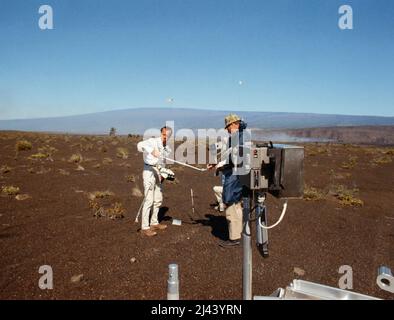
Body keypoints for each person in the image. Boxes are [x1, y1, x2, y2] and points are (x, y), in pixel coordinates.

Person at [208, 114, 248, 247]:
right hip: (237, 176)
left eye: (228, 127)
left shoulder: (238, 138)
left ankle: (234, 238)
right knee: (236, 205)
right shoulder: (239, 136)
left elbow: (235, 161)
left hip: (235, 177)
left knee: (231, 205)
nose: (227, 130)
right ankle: (238, 234)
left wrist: (220, 166)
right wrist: (217, 165)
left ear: (234, 124)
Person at [137, 126, 172, 237]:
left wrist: (163, 173)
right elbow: (139, 145)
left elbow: (163, 162)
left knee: (158, 199)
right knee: (149, 200)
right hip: (149, 171)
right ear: (161, 133)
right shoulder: (152, 141)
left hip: (159, 172)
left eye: (168, 136)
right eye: (164, 134)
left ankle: (154, 223)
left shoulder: (168, 148)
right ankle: (145, 227)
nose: (165, 137)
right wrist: (152, 151)